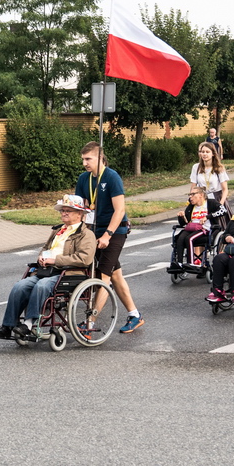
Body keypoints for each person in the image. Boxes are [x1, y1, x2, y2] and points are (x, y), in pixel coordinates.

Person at [0, 195, 96, 341]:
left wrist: (55, 260)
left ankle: (28, 324)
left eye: (68, 211)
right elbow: (45, 248)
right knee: (20, 286)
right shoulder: (58, 230)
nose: (64, 213)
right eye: (63, 210)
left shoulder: (86, 234)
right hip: (47, 270)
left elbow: (84, 259)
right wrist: (42, 257)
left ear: (79, 214)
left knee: (42, 286)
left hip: (68, 273)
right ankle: (8, 326)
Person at [75, 142, 144, 333]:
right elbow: (81, 207)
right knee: (115, 274)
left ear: (100, 158)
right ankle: (135, 315)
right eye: (83, 159)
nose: (84, 163)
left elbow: (119, 210)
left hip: (115, 231)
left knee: (104, 277)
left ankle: (90, 322)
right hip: (94, 231)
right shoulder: (84, 178)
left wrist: (107, 235)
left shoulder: (112, 177)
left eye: (88, 159)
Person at [168, 187, 226, 275]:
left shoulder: (211, 203)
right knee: (180, 238)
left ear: (201, 195)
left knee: (189, 238)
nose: (190, 197)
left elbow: (223, 211)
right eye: (189, 194)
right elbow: (184, 223)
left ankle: (191, 263)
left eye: (193, 194)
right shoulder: (191, 207)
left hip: (205, 229)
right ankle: (179, 263)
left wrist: (207, 217)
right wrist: (181, 217)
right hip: (191, 228)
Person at [190, 142, 228, 207]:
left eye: (207, 152)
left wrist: (220, 204)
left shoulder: (219, 168)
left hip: (216, 198)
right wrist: (192, 198)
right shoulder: (196, 167)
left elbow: (225, 189)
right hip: (202, 199)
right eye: (202, 152)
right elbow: (193, 186)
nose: (204, 154)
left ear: (213, 154)